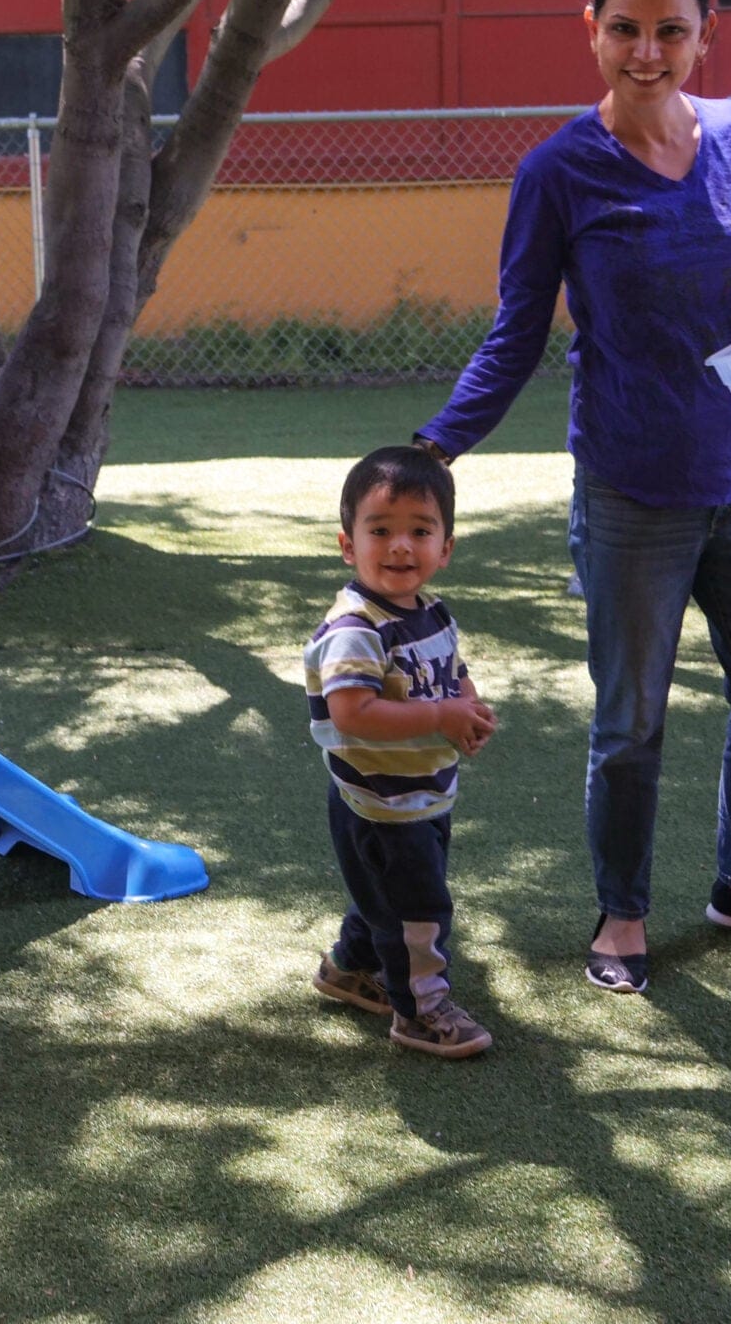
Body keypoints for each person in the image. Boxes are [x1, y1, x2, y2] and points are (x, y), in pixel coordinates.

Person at [413, 0, 731, 997]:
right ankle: (621, 913)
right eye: (624, 28)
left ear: (704, 35)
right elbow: (517, 332)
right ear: (591, 28)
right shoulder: (557, 171)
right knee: (630, 726)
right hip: (629, 493)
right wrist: (430, 451)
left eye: (668, 30)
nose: (645, 51)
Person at [304, 446, 498, 1058]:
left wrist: (466, 707)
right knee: (420, 910)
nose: (400, 547)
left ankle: (350, 968)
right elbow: (352, 712)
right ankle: (418, 1012)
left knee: (387, 895)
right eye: (380, 530)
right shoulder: (355, 629)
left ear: (446, 547)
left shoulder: (428, 611)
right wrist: (440, 714)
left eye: (420, 531)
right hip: (382, 803)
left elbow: (451, 670)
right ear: (347, 544)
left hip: (419, 789)